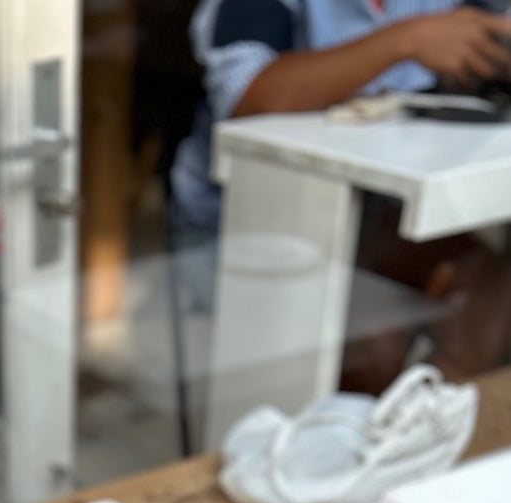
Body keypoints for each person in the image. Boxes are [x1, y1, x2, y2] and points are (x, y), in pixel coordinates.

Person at [171, 0, 511, 388]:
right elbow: (246, 96)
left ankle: (423, 418)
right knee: (371, 337)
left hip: (380, 212)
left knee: (488, 295)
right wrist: (407, 40)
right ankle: (346, 421)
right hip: (247, 222)